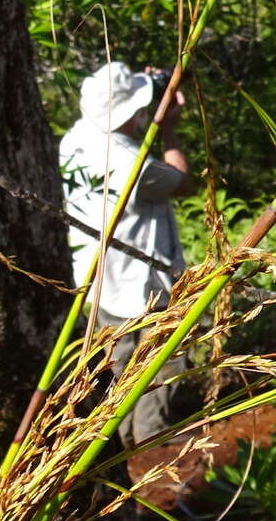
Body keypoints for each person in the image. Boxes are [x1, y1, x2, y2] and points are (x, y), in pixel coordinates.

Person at [59, 61, 196, 446]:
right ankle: (150, 439)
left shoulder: (74, 140)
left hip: (96, 277)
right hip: (141, 281)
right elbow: (182, 183)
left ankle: (117, 438)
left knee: (117, 363)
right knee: (166, 355)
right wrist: (168, 131)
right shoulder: (133, 164)